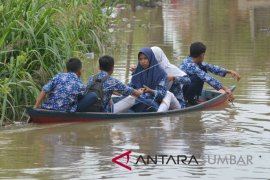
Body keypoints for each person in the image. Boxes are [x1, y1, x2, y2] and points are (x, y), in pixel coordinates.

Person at [129, 47, 181, 112]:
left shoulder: (160, 73)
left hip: (154, 102)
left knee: (147, 101)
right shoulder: (138, 71)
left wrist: (150, 91)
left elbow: (162, 94)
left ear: (151, 58)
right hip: (139, 99)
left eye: (145, 58)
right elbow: (130, 86)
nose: (143, 61)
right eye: (140, 59)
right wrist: (135, 91)